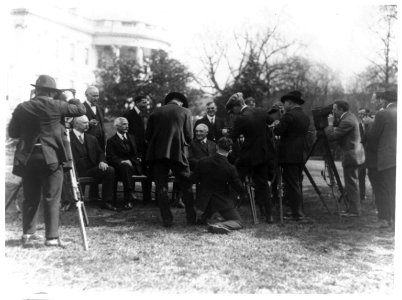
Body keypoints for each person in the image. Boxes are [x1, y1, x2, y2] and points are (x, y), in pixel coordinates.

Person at [8, 74, 86, 247]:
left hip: (28, 158)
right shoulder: (57, 105)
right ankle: (51, 237)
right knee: (52, 197)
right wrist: (72, 97)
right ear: (52, 92)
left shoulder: (22, 107)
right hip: (51, 157)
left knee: (30, 197)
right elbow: (81, 110)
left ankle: (28, 234)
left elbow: (13, 133)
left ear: (36, 90)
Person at [145, 92, 196, 227]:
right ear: (180, 102)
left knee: (161, 187)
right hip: (178, 154)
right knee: (187, 185)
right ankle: (191, 218)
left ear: (168, 102)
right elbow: (189, 136)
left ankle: (167, 219)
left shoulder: (155, 112)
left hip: (158, 155)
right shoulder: (185, 111)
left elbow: (148, 135)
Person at [225, 92, 275, 223]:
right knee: (263, 184)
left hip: (247, 157)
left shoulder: (240, 118)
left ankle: (228, 212)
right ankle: (269, 215)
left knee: (234, 180)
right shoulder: (261, 111)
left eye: (233, 110)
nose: (234, 113)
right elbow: (271, 123)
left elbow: (233, 138)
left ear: (237, 106)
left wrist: (228, 134)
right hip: (263, 155)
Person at [189, 137, 246, 234]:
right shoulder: (230, 168)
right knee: (238, 222)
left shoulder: (202, 161)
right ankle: (219, 225)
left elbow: (192, 179)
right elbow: (239, 188)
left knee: (209, 215)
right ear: (230, 150)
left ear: (216, 147)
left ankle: (206, 218)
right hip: (221, 202)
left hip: (203, 202)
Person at [271, 91, 310, 221]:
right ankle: (298, 211)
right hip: (300, 154)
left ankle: (297, 213)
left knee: (292, 184)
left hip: (288, 155)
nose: (284, 105)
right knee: (297, 182)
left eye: (285, 103)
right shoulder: (305, 116)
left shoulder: (289, 116)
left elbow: (278, 131)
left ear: (290, 103)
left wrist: (277, 123)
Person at [325, 100, 365, 217]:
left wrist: (330, 124)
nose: (333, 111)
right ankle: (353, 209)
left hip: (351, 155)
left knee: (351, 183)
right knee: (352, 182)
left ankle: (355, 211)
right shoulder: (350, 117)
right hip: (355, 154)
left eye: (334, 109)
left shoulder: (347, 121)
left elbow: (332, 136)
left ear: (341, 110)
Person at [70, 115, 116, 211]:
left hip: (91, 169)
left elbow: (100, 153)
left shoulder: (92, 138)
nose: (88, 125)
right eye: (84, 123)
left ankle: (106, 202)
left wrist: (102, 162)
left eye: (87, 122)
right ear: (76, 124)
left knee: (109, 170)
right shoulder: (68, 138)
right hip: (75, 170)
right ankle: (71, 202)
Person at [365, 90, 397, 228]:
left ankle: (385, 219)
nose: (374, 102)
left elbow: (373, 137)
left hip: (385, 159)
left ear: (383, 100)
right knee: (393, 189)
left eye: (376, 100)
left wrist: (368, 125)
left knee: (382, 189)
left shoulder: (382, 113)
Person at [106, 117, 143, 210]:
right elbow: (111, 157)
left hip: (134, 166)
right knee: (125, 166)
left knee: (127, 166)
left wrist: (132, 161)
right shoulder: (111, 141)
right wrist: (122, 161)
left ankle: (129, 197)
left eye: (127, 124)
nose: (127, 126)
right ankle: (128, 199)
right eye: (124, 124)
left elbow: (138, 153)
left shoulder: (132, 138)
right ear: (117, 126)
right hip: (119, 168)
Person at [124, 95, 152, 204]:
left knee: (146, 169)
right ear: (137, 103)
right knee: (133, 170)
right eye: (144, 102)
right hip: (132, 147)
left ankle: (147, 197)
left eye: (146, 102)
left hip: (144, 148)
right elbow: (126, 132)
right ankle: (131, 197)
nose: (146, 105)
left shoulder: (145, 115)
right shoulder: (128, 114)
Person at [357, 108, 371, 202]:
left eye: (362, 114)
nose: (360, 116)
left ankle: (376, 198)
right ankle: (362, 196)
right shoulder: (358, 125)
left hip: (371, 153)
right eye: (359, 114)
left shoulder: (372, 123)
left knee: (372, 175)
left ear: (367, 114)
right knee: (360, 174)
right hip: (362, 153)